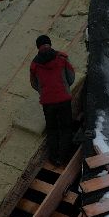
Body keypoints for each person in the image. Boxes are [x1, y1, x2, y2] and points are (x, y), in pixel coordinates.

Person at [29, 33, 77, 165]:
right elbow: (71, 77)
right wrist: (64, 87)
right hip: (63, 99)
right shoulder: (61, 58)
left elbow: (34, 84)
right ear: (49, 44)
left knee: (52, 130)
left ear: (38, 47)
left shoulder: (34, 64)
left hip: (47, 102)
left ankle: (53, 157)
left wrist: (44, 91)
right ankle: (64, 157)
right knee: (66, 128)